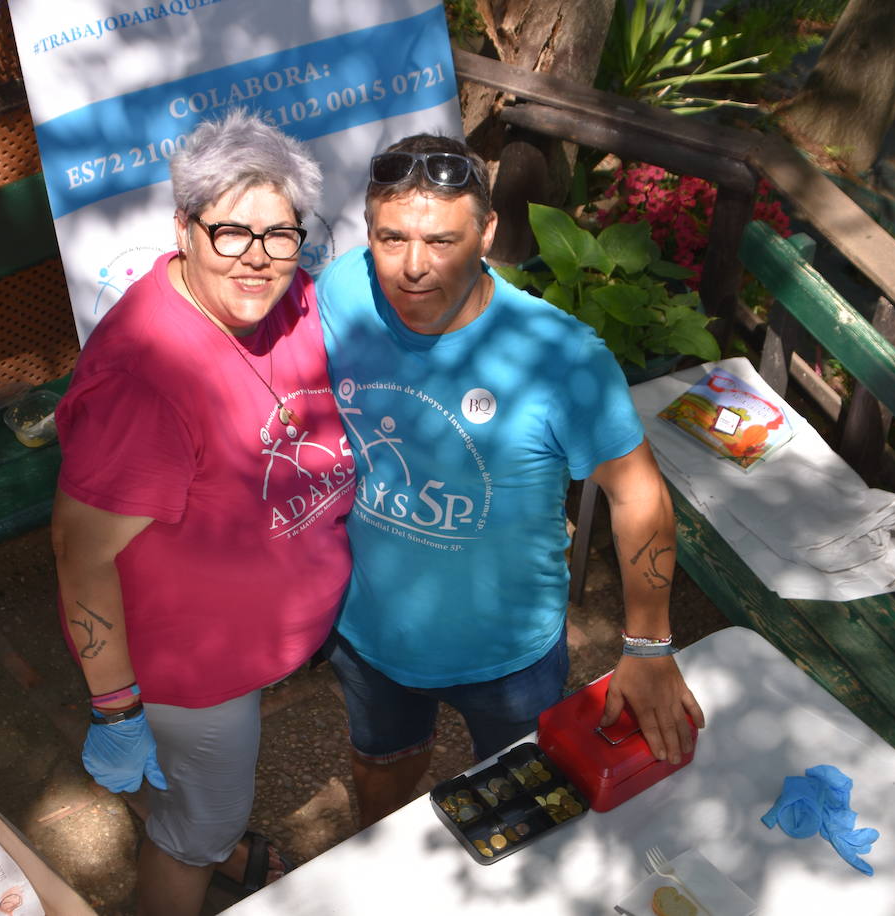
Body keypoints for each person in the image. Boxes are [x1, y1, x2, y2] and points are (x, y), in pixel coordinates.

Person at [317, 133, 706, 826]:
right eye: (390, 238)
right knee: (381, 771)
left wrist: (648, 647)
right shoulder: (343, 289)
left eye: (441, 241)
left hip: (509, 655)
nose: (411, 267)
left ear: (488, 231)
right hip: (370, 631)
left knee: (526, 808)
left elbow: (638, 492)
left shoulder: (561, 359)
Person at [51, 108, 354, 915]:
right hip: (196, 665)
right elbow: (79, 554)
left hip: (257, 638)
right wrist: (116, 708)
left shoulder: (283, 301)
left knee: (194, 799)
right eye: (230, 233)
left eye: (279, 235)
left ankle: (196, 823)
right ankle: (196, 850)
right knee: (200, 825)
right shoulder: (147, 382)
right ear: (183, 228)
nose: (256, 261)